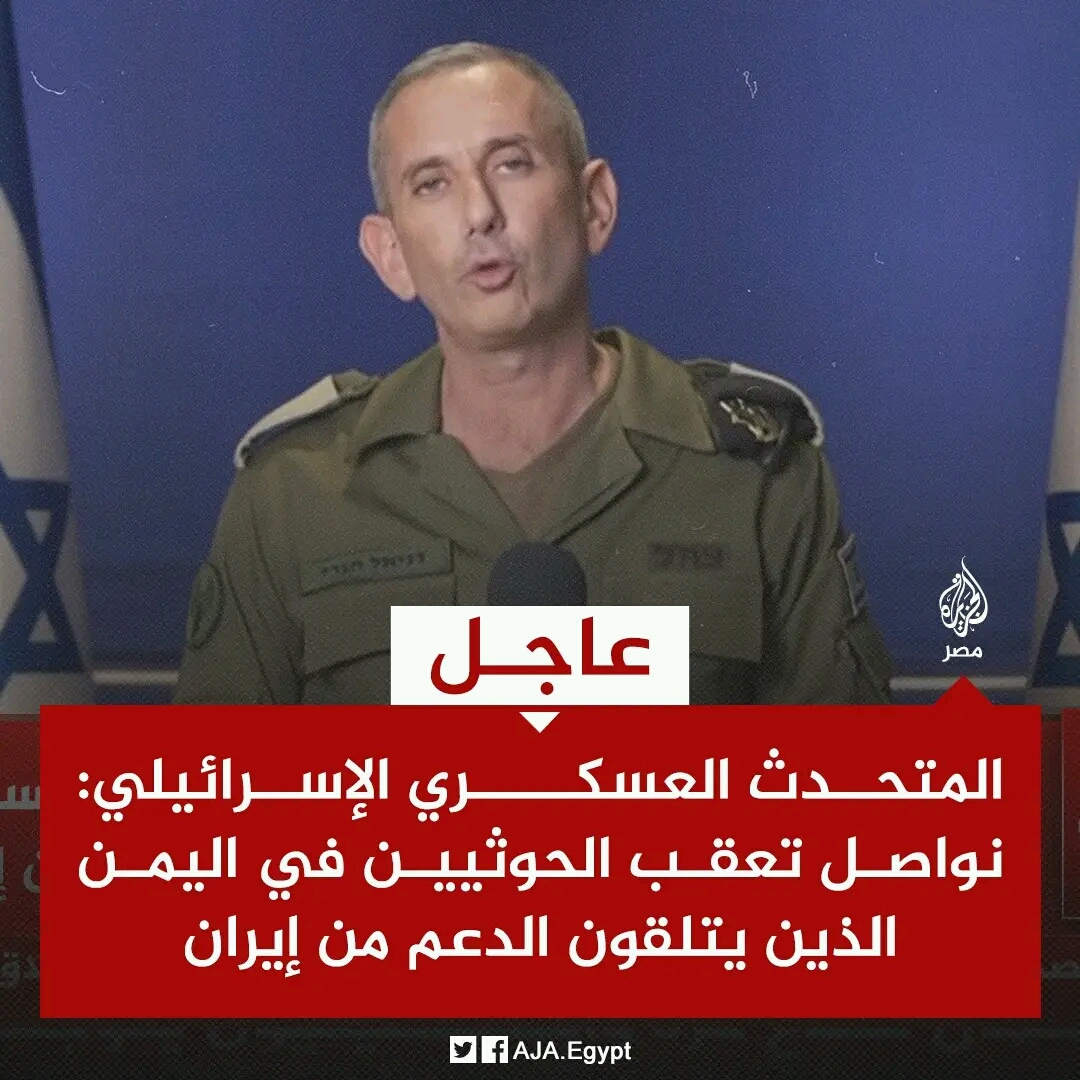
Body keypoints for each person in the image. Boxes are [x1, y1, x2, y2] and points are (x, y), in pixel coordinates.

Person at [174, 41, 893, 706]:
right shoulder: (292, 493)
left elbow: (850, 788)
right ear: (390, 254)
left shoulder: (759, 477)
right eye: (432, 183)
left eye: (511, 164)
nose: (479, 213)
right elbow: (207, 791)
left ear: (594, 205)